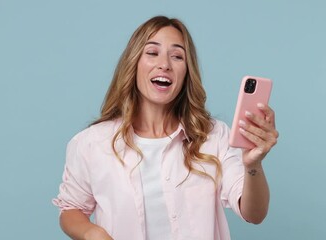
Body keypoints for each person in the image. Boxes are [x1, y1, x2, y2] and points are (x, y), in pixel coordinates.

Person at [53, 15, 278, 240]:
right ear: (134, 63)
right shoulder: (92, 143)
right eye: (152, 53)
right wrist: (91, 232)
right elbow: (71, 209)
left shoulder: (213, 135)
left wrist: (253, 164)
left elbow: (254, 214)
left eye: (177, 56)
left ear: (186, 72)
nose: (165, 65)